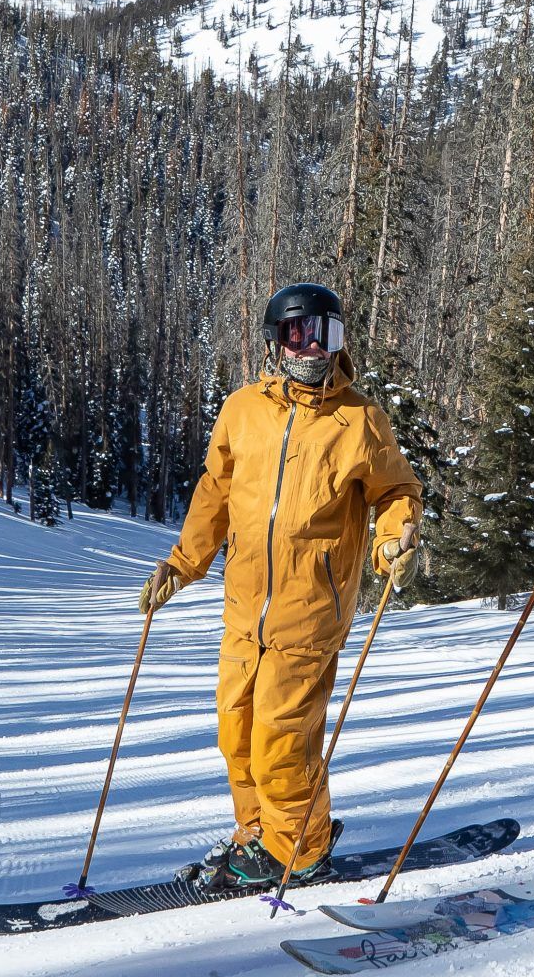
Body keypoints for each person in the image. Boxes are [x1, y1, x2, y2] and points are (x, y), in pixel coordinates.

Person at [139, 282, 423, 891]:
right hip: (244, 610)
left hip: (310, 612)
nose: (306, 345)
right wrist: (180, 565)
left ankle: (301, 847)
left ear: (337, 338)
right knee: (235, 727)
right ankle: (258, 834)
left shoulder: (357, 420)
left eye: (318, 331)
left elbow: (396, 492)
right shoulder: (243, 410)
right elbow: (216, 493)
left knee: (279, 737)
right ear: (276, 342)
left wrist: (393, 540)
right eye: (293, 333)